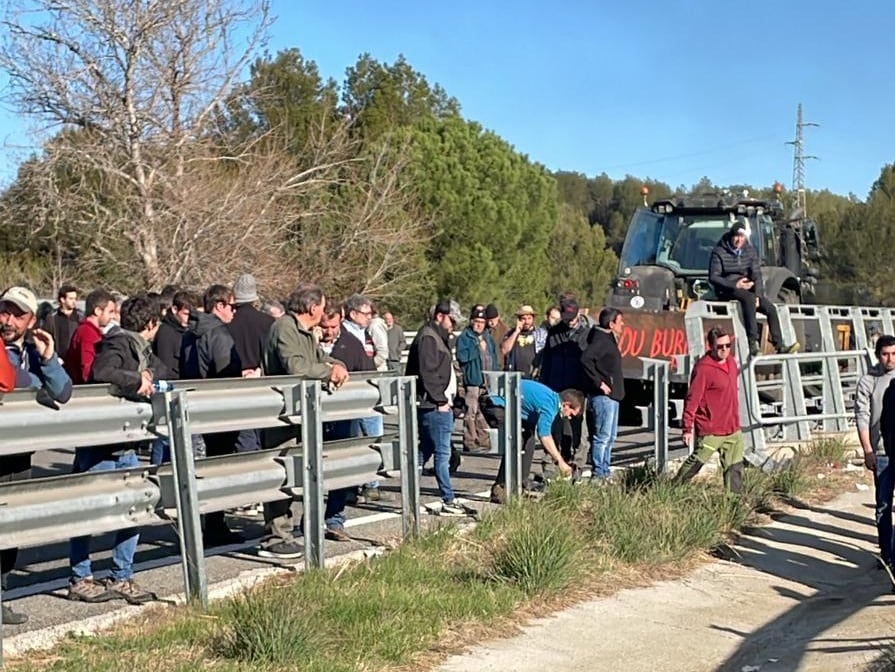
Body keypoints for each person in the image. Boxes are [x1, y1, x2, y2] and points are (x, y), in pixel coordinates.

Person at [68, 294, 165, 605]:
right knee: (88, 511)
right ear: (151, 324)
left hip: (126, 443)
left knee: (133, 509)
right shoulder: (118, 344)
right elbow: (102, 372)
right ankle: (80, 577)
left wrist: (149, 376)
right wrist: (137, 379)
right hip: (102, 444)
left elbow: (165, 370)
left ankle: (121, 576)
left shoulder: (141, 348)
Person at [258, 283, 350, 559]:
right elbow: (296, 367)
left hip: (302, 413)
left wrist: (338, 366)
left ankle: (294, 527)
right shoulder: (285, 328)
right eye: (322, 306)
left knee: (301, 470)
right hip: (281, 413)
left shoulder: (307, 332)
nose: (324, 310)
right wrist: (327, 371)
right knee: (281, 471)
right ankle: (276, 535)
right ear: (313, 308)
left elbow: (321, 359)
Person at [0, 286, 72, 624]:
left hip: (18, 453)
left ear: (31, 321)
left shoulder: (32, 348)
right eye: (4, 311)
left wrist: (48, 358)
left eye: (18, 314)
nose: (8, 320)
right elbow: (12, 383)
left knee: (10, 528)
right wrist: (33, 384)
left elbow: (63, 391)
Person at [405, 299, 475, 516]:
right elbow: (428, 373)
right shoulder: (428, 337)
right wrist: (441, 401)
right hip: (434, 406)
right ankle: (448, 498)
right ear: (440, 316)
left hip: (436, 404)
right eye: (452, 320)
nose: (453, 325)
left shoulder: (435, 337)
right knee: (442, 454)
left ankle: (411, 495)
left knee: (424, 450)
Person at [709, 220, 799, 357]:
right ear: (731, 236)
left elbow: (756, 274)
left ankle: (779, 345)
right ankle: (753, 343)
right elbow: (714, 277)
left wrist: (758, 295)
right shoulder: (719, 251)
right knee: (749, 299)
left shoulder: (749, 251)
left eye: (742, 237)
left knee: (770, 308)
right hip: (727, 289)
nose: (739, 240)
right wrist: (735, 285)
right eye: (736, 237)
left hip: (748, 288)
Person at [673, 326, 744, 493]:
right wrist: (687, 428)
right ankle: (671, 490)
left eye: (728, 345)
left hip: (732, 428)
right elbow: (692, 399)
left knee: (735, 468)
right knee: (695, 464)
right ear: (711, 346)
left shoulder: (732, 362)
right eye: (720, 347)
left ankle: (734, 505)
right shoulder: (703, 369)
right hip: (711, 429)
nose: (725, 350)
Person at [490, 381, 585, 504]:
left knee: (528, 440)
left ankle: (520, 487)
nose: (570, 418)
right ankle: (500, 488)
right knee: (515, 440)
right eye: (571, 414)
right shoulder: (550, 405)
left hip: (511, 407)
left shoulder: (551, 398)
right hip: (496, 403)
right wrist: (560, 462)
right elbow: (544, 435)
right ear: (566, 405)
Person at [858, 335, 895, 570]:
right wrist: (867, 450)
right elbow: (862, 417)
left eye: (894, 354)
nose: (890, 359)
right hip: (881, 452)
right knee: (883, 504)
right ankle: (886, 553)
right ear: (877, 354)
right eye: (885, 354)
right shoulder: (868, 381)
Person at [580, 308, 625, 480]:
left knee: (610, 436)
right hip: (604, 397)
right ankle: (599, 473)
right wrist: (599, 383)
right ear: (611, 324)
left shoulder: (608, 339)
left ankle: (605, 470)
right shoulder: (600, 341)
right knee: (602, 437)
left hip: (613, 397)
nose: (622, 324)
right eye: (620, 321)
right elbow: (586, 359)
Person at [455, 305, 498, 453]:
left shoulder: (488, 337)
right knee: (471, 411)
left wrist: (496, 376)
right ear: (472, 321)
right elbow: (462, 357)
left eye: (482, 321)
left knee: (483, 412)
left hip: (486, 381)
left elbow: (494, 358)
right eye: (477, 321)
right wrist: (476, 347)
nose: (479, 324)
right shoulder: (465, 338)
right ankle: (469, 441)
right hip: (472, 381)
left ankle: (484, 440)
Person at [64, 288, 117, 385]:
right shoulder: (87, 333)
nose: (113, 316)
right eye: (110, 311)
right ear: (97, 311)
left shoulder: (89, 331)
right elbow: (87, 371)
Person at [42, 285, 82, 361]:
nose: (74, 301)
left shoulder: (80, 317)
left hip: (76, 361)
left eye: (75, 299)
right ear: (62, 299)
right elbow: (46, 338)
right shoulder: (52, 318)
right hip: (58, 361)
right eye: (71, 299)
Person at [501, 304, 538, 378]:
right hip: (515, 375)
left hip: (533, 376)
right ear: (519, 320)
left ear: (533, 319)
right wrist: (516, 332)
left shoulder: (539, 334)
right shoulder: (511, 333)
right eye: (523, 319)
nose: (526, 321)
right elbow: (504, 350)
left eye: (529, 318)